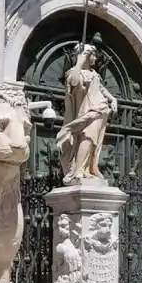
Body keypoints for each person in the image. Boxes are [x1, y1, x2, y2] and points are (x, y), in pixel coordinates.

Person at [56, 44, 116, 185]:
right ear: (87, 56)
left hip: (100, 109)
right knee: (86, 137)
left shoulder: (94, 74)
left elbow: (101, 89)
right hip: (86, 111)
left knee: (95, 141)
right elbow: (73, 82)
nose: (95, 58)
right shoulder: (74, 72)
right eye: (93, 55)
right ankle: (78, 170)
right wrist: (79, 61)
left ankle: (89, 168)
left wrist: (113, 99)